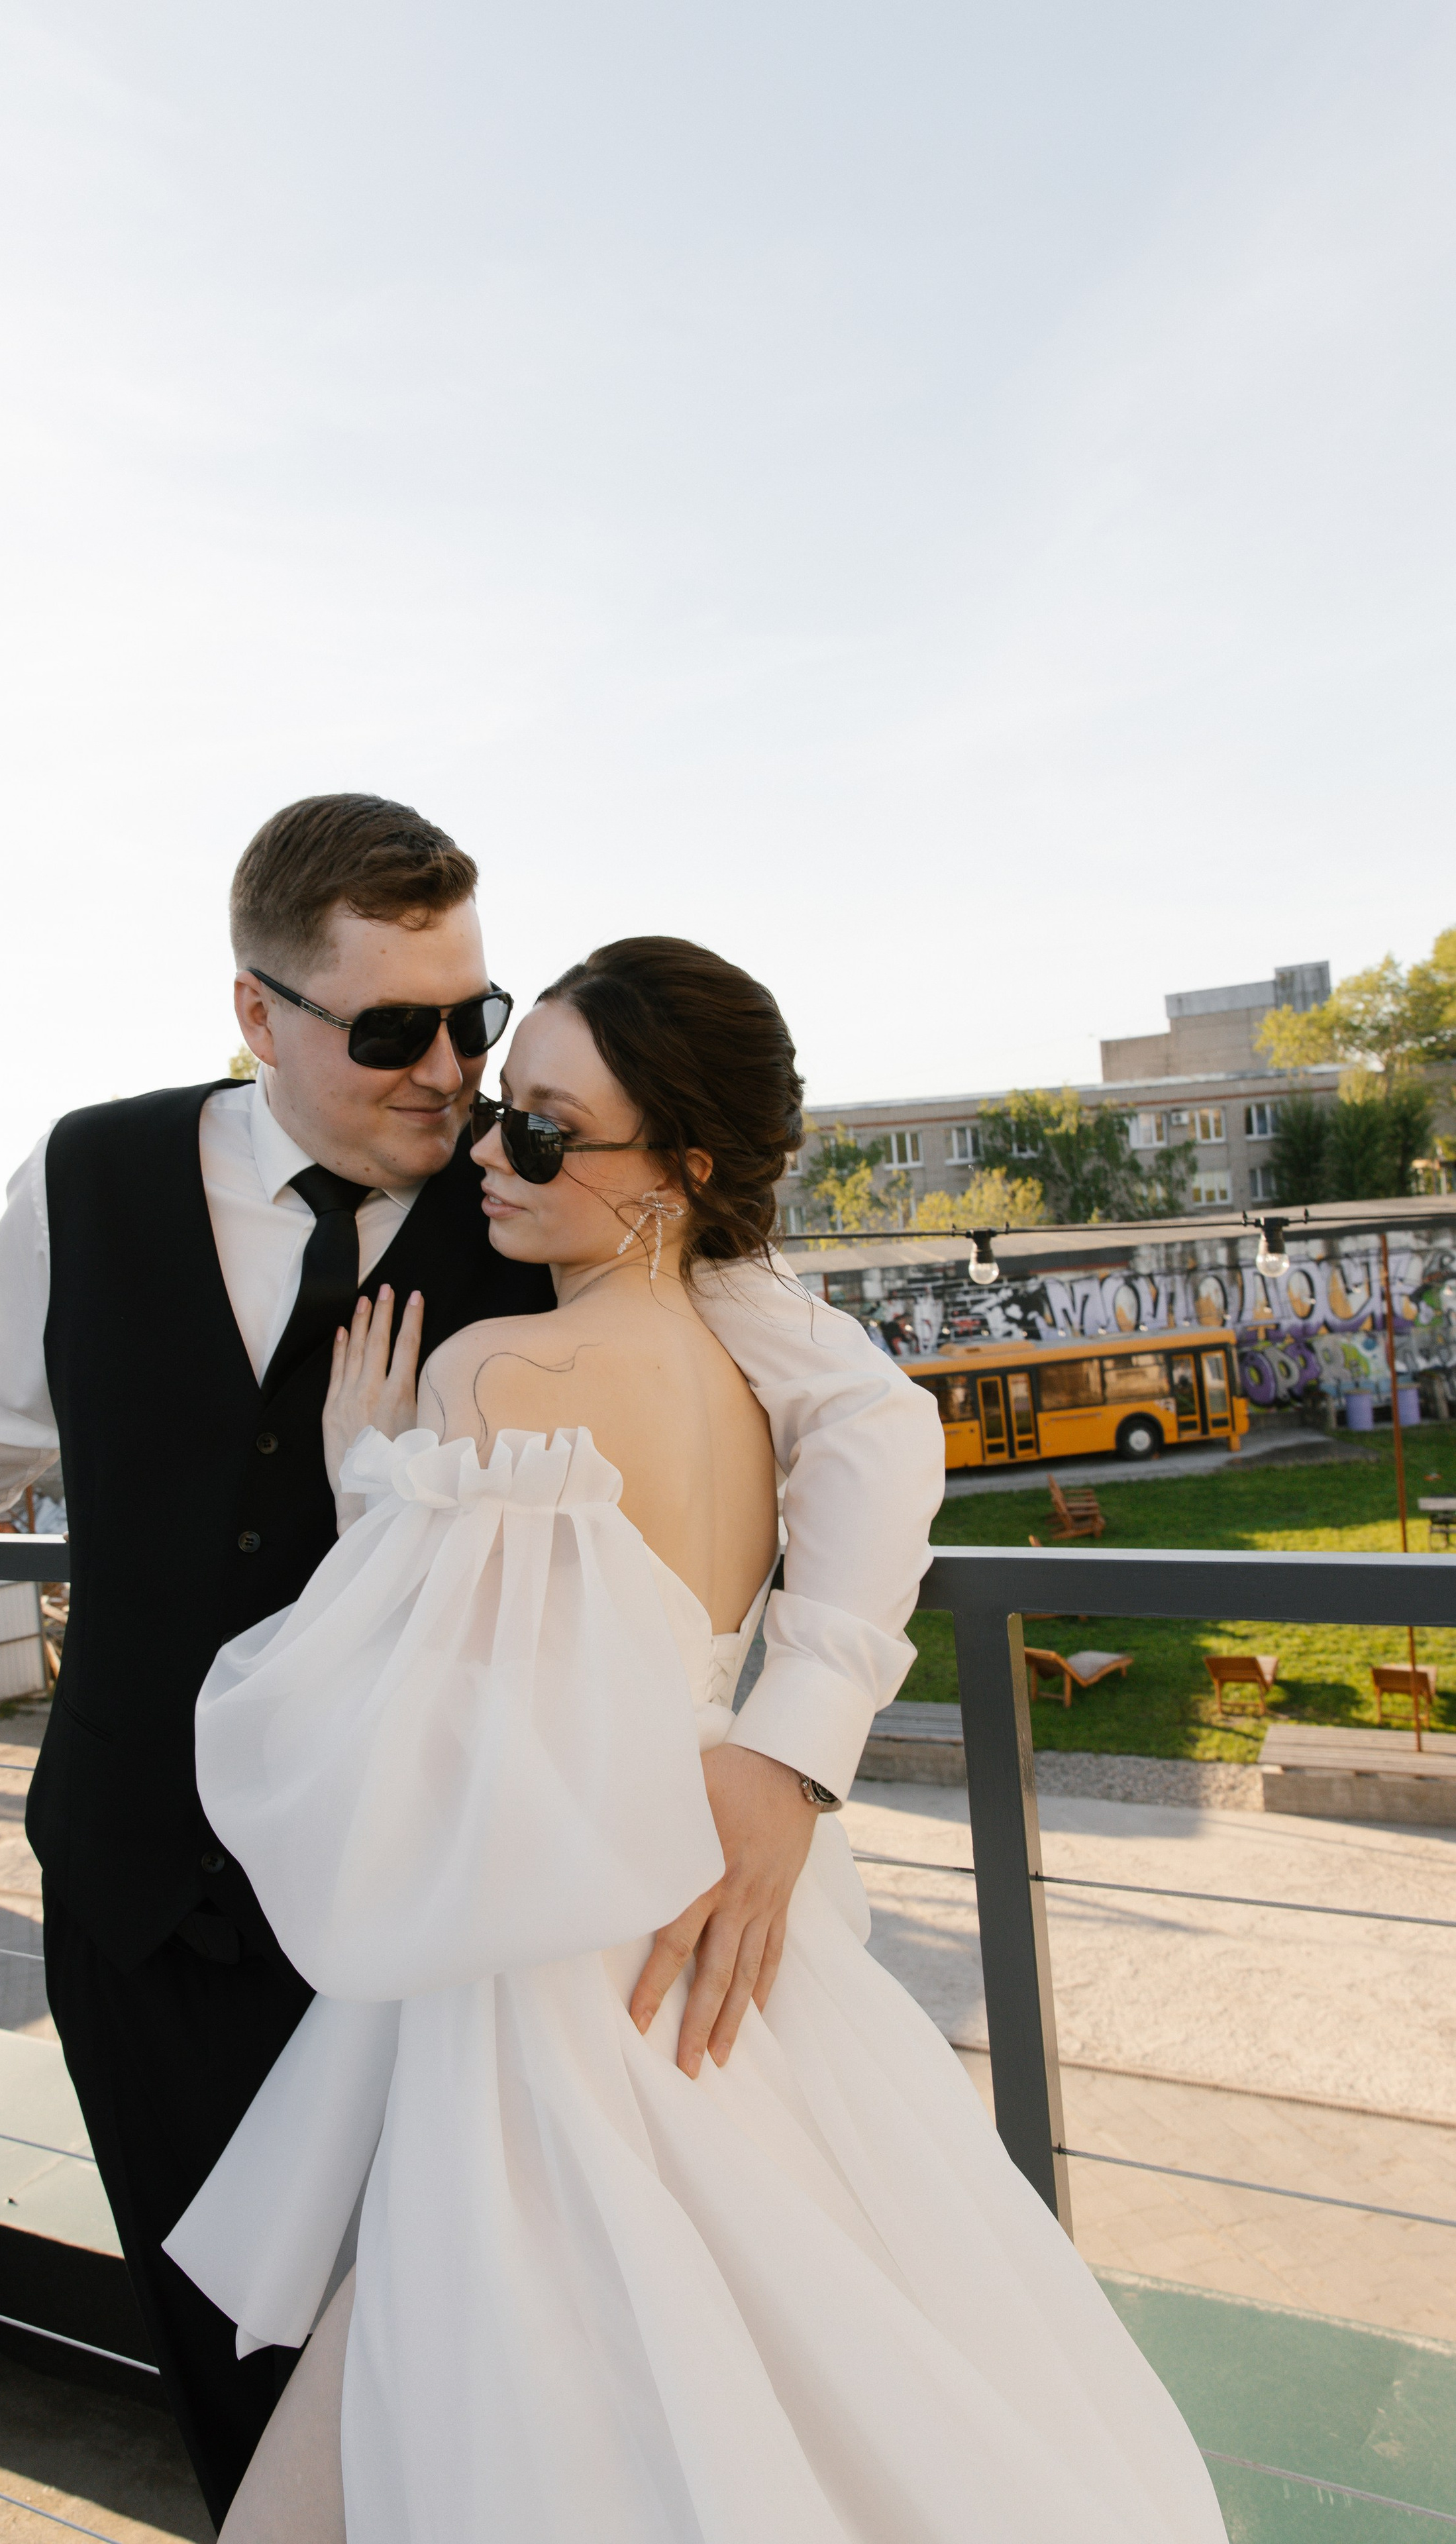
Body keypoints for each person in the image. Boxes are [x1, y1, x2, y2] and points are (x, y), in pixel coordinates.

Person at [0, 796, 944, 2523]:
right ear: (257, 1015)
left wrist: (787, 1746)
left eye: (475, 1018)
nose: (450, 1076)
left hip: (422, 1934)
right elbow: (1, 1407)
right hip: (136, 1887)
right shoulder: (84, 1172)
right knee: (223, 2366)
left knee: (460, 2390)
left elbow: (873, 1426)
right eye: (390, 1034)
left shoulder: (556, 1190)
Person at [166, 937, 1225, 2543]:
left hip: (551, 1979)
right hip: (732, 1958)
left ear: (678, 1172)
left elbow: (388, 1731)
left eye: (542, 1129)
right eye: (499, 1110)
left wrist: (363, 1477)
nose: (486, 1155)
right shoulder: (737, 1377)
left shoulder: (492, 1369)